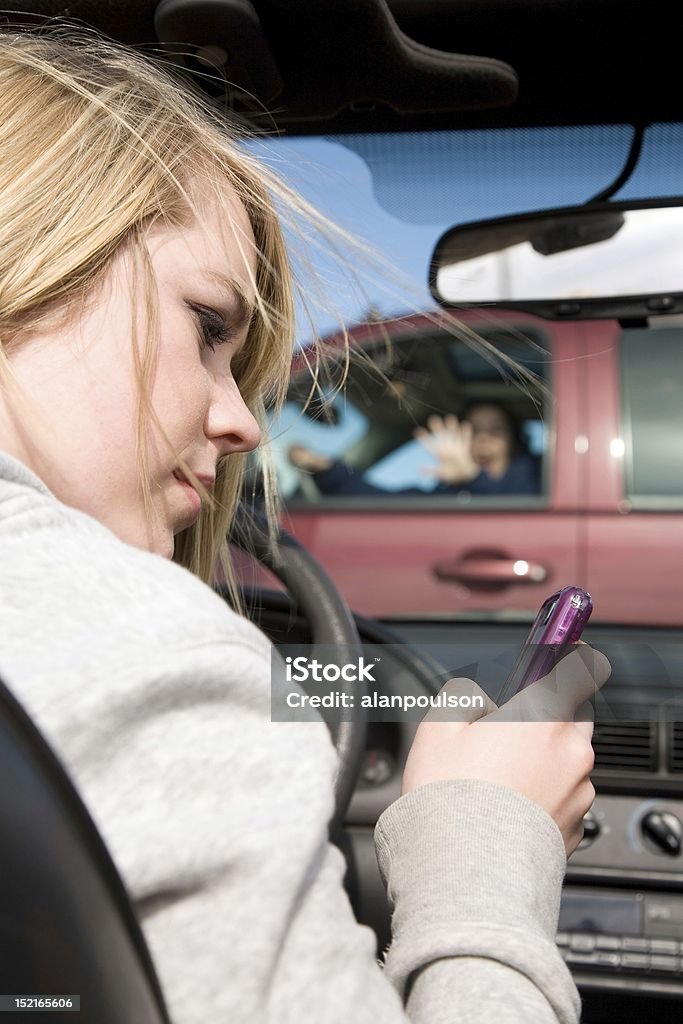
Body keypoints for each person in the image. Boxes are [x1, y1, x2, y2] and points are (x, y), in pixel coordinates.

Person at [0, 26, 610, 1024]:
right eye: (206, 328)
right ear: (26, 246)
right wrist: (482, 845)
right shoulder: (150, 653)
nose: (244, 422)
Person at [288, 401, 541, 496]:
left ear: (515, 442)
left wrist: (472, 477)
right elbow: (376, 501)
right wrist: (323, 466)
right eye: (473, 431)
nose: (483, 439)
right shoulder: (445, 498)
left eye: (497, 431)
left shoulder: (540, 479)